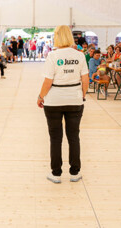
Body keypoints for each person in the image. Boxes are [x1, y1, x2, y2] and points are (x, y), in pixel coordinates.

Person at [37, 25, 89, 183]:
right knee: (74, 136)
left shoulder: (52, 56)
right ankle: (75, 172)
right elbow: (85, 80)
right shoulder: (79, 56)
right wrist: (82, 95)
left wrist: (40, 97)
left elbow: (48, 81)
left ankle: (56, 173)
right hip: (74, 99)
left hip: (54, 101)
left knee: (55, 138)